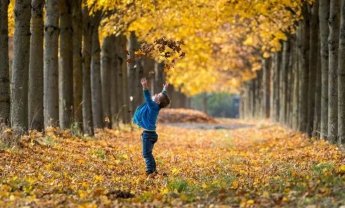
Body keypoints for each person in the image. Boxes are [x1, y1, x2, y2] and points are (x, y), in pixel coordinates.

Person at [133, 78, 171, 177]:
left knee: (146, 154)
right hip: (150, 134)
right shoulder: (156, 106)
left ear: (157, 101)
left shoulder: (153, 106)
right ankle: (153, 171)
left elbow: (148, 98)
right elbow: (160, 98)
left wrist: (145, 87)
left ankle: (150, 171)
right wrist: (164, 89)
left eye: (157, 95)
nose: (155, 94)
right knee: (148, 153)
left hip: (148, 135)